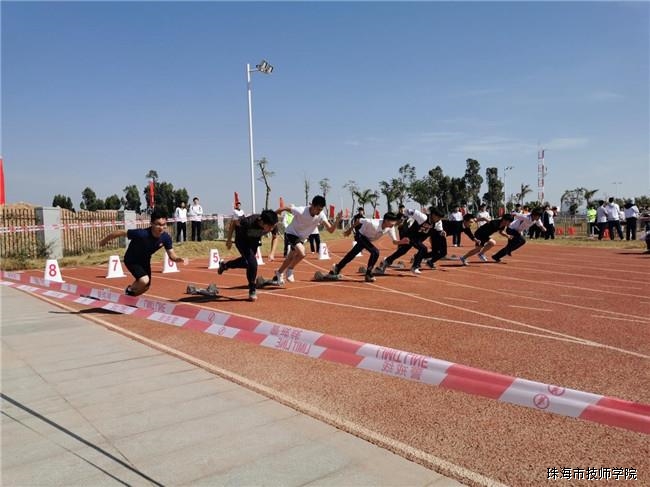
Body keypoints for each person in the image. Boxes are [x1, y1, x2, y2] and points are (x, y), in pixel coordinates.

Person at [99, 209, 185, 297]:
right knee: (144, 280)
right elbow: (120, 232)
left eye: (164, 225)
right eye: (158, 224)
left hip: (145, 261)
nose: (161, 227)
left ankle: (128, 297)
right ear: (151, 224)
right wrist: (104, 241)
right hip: (132, 259)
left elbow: (172, 255)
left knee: (145, 287)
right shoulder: (142, 234)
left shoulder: (166, 238)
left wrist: (178, 259)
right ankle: (128, 290)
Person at [273, 196, 340, 284]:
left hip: (301, 238)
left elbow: (330, 230)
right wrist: (272, 216)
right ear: (312, 206)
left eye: (321, 209)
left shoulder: (321, 215)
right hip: (291, 233)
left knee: (290, 257)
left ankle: (279, 272)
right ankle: (290, 269)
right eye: (318, 209)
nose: (319, 211)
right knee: (302, 253)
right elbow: (285, 208)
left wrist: (337, 221)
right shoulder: (301, 210)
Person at [218, 209, 279, 301]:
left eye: (273, 226)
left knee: (247, 263)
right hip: (241, 240)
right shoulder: (248, 221)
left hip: (254, 241)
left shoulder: (272, 224)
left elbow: (275, 237)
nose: (271, 229)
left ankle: (225, 265)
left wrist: (272, 253)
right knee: (253, 263)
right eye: (270, 226)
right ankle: (252, 288)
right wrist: (229, 239)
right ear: (262, 222)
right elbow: (233, 223)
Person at [330, 212, 407, 282]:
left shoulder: (390, 228)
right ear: (386, 220)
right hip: (360, 235)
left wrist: (401, 242)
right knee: (375, 252)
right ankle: (368, 274)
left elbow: (394, 242)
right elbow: (359, 220)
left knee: (352, 254)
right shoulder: (373, 223)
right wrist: (350, 230)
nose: (394, 224)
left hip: (368, 239)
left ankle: (337, 267)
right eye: (392, 221)